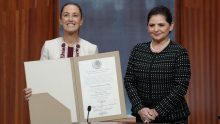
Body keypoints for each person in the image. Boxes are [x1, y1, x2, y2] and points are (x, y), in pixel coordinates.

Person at [124, 5, 191, 123]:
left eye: (161, 25)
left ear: (171, 26)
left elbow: (181, 86)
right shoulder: (138, 50)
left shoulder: (179, 52)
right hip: (142, 117)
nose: (156, 29)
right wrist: (140, 108)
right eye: (151, 25)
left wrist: (156, 111)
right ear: (147, 27)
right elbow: (129, 81)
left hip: (173, 119)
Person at [24, 2, 98, 100]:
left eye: (75, 15)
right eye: (66, 15)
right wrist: (32, 91)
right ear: (60, 20)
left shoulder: (91, 49)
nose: (70, 19)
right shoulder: (49, 46)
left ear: (81, 21)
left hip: (83, 104)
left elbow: (95, 84)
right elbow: (41, 79)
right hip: (55, 103)